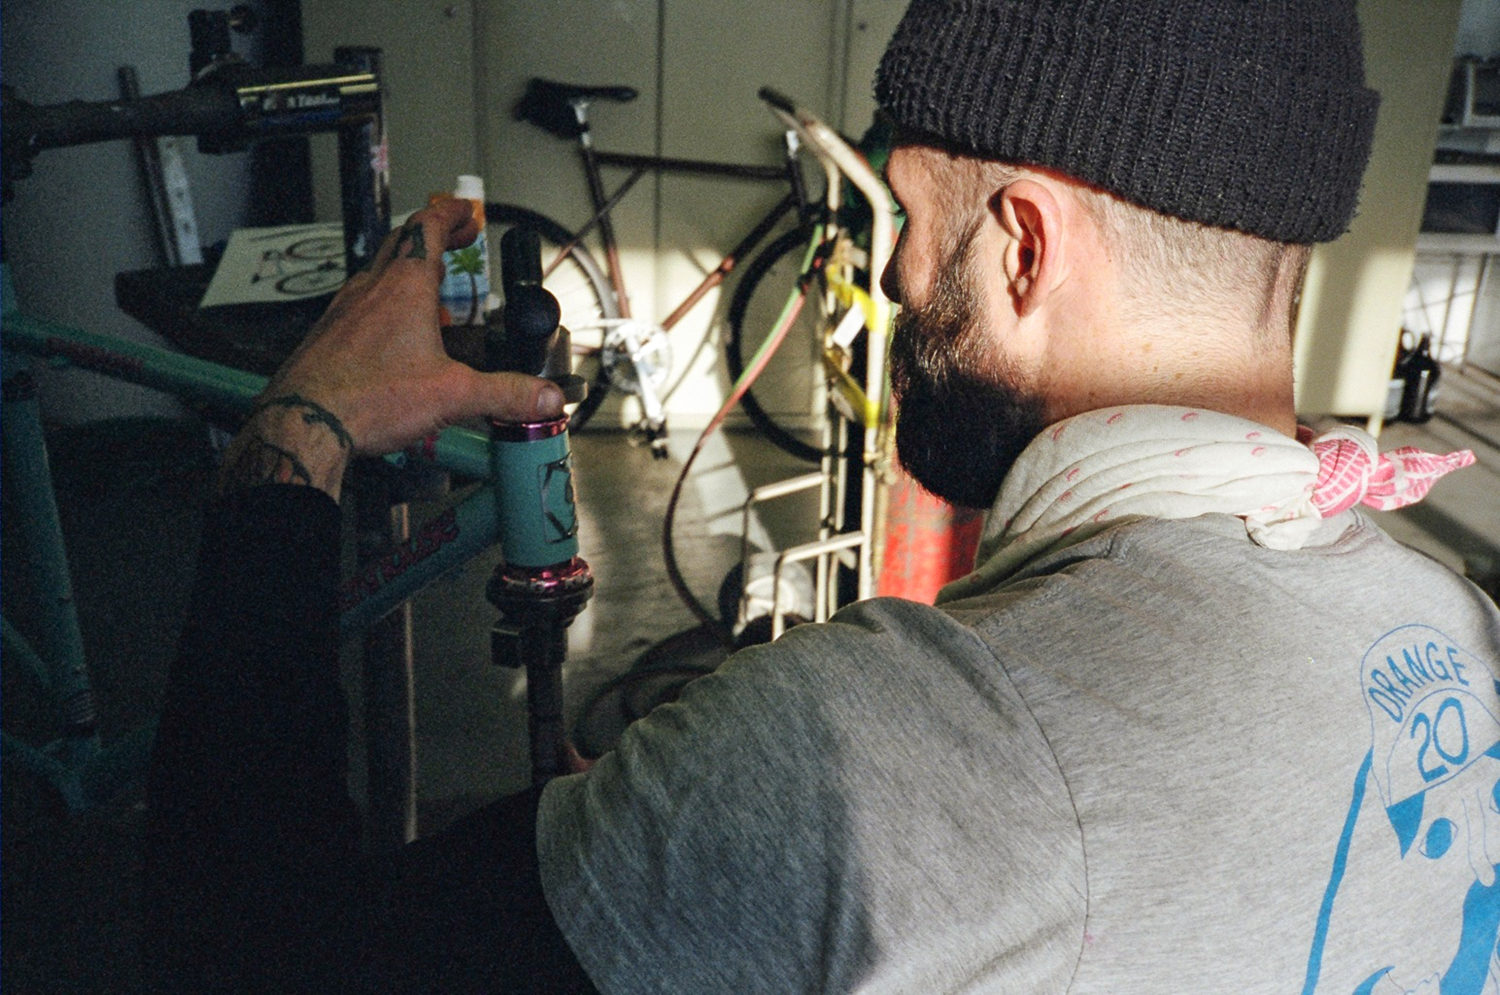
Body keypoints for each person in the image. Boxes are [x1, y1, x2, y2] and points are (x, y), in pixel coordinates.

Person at [144, 0, 1499, 991]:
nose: (892, 271)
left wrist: (300, 429)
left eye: (908, 216)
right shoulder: (1450, 632)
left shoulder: (868, 755)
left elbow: (243, 961)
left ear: (1026, 249)